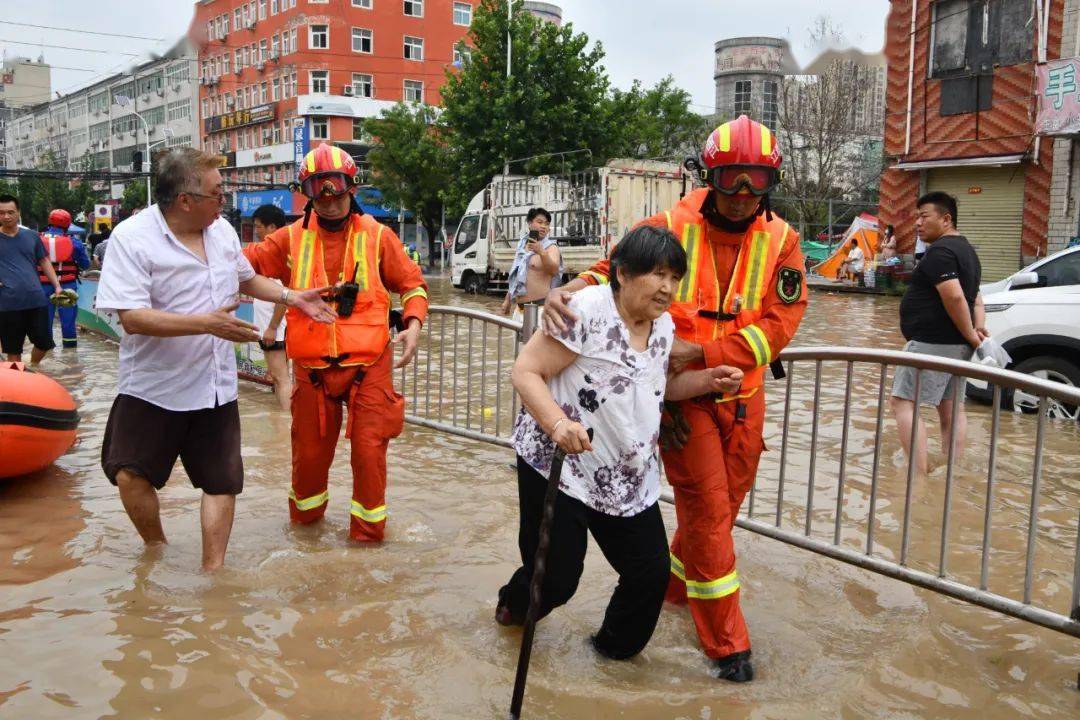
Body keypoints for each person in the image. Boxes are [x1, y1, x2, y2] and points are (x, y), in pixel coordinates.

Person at [542, 116, 809, 681]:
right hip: (682, 404)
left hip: (743, 397)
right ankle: (728, 648)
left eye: (755, 180)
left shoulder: (784, 241)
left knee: (722, 512)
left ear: (771, 181)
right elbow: (609, 272)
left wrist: (710, 356)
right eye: (731, 178)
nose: (742, 194)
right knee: (709, 513)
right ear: (709, 175)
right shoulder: (666, 225)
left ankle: (670, 592)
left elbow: (783, 321)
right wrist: (565, 292)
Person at [498, 225, 745, 659]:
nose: (667, 288)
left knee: (649, 574)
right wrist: (557, 424)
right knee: (555, 579)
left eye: (674, 277)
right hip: (561, 466)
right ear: (623, 273)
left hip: (626, 479)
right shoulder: (585, 312)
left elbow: (654, 386)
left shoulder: (663, 327)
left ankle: (609, 658)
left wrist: (707, 380)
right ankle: (510, 612)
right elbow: (525, 370)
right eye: (657, 275)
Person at [95, 148, 335, 571]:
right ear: (185, 200)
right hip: (154, 385)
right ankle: (156, 547)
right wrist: (204, 324)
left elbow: (247, 278)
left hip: (215, 385)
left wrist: (292, 296)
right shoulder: (131, 239)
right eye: (217, 192)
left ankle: (214, 572)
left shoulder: (221, 231)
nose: (224, 200)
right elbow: (131, 318)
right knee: (130, 474)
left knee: (222, 483)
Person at [244, 143, 429, 543]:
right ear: (307, 193)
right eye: (318, 191)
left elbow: (412, 285)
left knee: (368, 456)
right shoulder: (289, 240)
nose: (328, 201)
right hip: (311, 373)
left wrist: (413, 324)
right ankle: (306, 538)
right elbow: (243, 265)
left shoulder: (380, 237)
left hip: (369, 368)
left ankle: (366, 546)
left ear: (352, 189)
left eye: (337, 191)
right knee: (308, 459)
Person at [890, 191, 985, 475]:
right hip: (955, 345)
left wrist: (971, 334)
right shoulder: (967, 251)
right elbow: (977, 299)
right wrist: (976, 329)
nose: (918, 223)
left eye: (924, 216)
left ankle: (916, 475)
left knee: (903, 403)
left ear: (946, 219)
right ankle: (950, 468)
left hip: (933, 342)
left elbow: (955, 298)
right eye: (917, 216)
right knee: (950, 408)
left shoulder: (941, 252)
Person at [0, 194, 63, 364]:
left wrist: (57, 285)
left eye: (10, 212)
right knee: (13, 350)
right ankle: (17, 385)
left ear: (18, 212)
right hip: (7, 304)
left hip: (36, 300)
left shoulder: (32, 236)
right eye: (1, 213)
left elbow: (44, 260)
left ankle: (33, 367)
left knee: (44, 343)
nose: (6, 216)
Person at [250, 204, 292, 410]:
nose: (255, 231)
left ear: (272, 227)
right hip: (274, 328)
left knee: (280, 377)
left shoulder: (275, 254)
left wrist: (272, 327)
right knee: (279, 376)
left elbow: (283, 296)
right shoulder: (271, 252)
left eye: (258, 226)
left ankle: (287, 422)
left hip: (275, 329)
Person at [39, 209, 91, 349]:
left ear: (49, 222)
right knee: (68, 321)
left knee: (45, 321)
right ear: (68, 224)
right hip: (67, 286)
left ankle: (46, 351)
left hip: (42, 287)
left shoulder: (36, 240)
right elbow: (85, 264)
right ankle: (70, 353)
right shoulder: (74, 242)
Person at [500, 207, 561, 317]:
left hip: (540, 309)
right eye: (539, 222)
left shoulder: (551, 248)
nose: (543, 226)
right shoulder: (522, 247)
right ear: (529, 223)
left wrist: (541, 252)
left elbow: (554, 270)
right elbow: (516, 276)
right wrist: (507, 299)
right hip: (519, 310)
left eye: (546, 224)